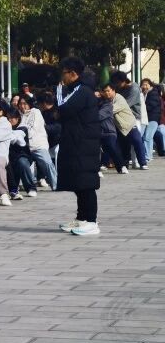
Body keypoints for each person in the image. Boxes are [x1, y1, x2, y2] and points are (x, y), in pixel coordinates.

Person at [56, 58, 102, 236]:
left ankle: (91, 221)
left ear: (73, 73)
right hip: (76, 142)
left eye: (64, 73)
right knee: (78, 182)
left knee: (86, 183)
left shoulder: (82, 91)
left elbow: (63, 109)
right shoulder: (77, 90)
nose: (62, 77)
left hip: (83, 144)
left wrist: (59, 90)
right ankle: (82, 217)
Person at [17, 95, 57, 190]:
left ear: (29, 104)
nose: (22, 106)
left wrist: (21, 132)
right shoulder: (17, 114)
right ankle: (29, 187)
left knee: (47, 163)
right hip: (24, 148)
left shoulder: (36, 112)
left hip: (38, 145)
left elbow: (32, 128)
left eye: (25, 103)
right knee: (22, 163)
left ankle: (56, 184)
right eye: (20, 104)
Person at [110, 74, 148, 170]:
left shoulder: (134, 89)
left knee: (137, 140)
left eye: (117, 83)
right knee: (125, 142)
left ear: (123, 81)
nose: (116, 85)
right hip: (120, 119)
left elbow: (126, 103)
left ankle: (141, 162)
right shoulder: (121, 89)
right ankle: (128, 162)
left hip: (133, 117)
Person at [96, 83, 129, 173]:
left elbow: (99, 116)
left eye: (99, 94)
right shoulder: (92, 105)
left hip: (108, 131)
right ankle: (98, 168)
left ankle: (121, 166)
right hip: (97, 132)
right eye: (104, 91)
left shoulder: (107, 104)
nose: (97, 96)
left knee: (112, 148)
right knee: (96, 150)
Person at [141, 78, 162, 159]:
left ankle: (148, 156)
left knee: (147, 137)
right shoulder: (145, 94)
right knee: (147, 137)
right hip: (148, 119)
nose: (144, 86)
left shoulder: (153, 93)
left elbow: (150, 106)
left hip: (153, 118)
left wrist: (142, 109)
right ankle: (148, 155)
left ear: (150, 85)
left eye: (146, 84)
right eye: (143, 84)